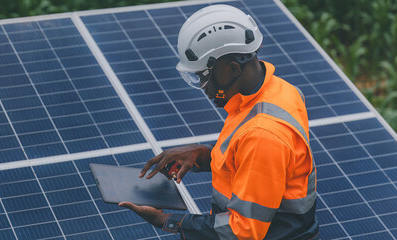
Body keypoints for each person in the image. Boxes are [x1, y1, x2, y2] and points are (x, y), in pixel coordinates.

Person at [118, 4, 319, 239]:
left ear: (233, 68)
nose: (203, 87)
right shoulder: (280, 91)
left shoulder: (263, 135)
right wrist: (203, 155)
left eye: (203, 76)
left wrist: (168, 221)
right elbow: (253, 161)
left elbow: (243, 232)